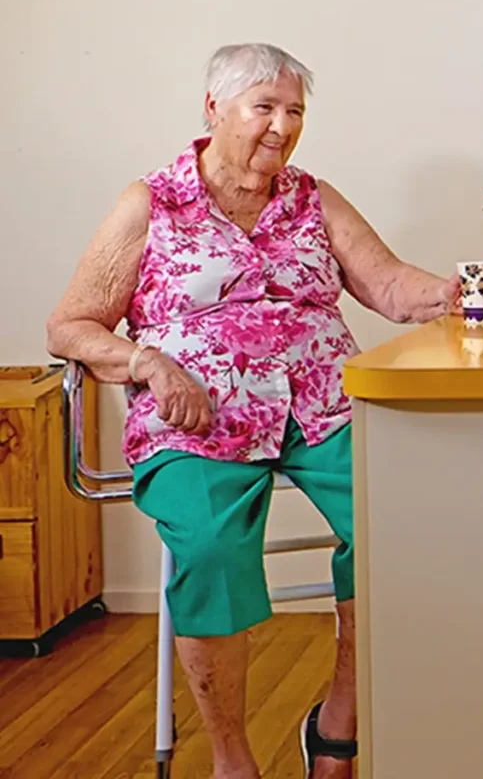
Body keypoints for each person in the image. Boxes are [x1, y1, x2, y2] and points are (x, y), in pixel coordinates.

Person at [47, 43, 459, 779]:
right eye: (263, 107)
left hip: (324, 406)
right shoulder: (152, 201)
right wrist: (149, 362)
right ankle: (233, 759)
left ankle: (336, 728)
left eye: (294, 110)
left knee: (401, 524)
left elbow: (392, 286)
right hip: (197, 417)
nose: (281, 126)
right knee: (208, 550)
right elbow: (71, 324)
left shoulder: (313, 197)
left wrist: (470, 291)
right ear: (213, 109)